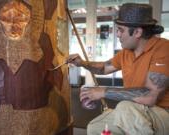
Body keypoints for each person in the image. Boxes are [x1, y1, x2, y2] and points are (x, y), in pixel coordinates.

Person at [67, 3, 169, 135]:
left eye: (121, 30)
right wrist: (82, 63)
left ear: (137, 32)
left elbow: (150, 96)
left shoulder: (164, 49)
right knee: (96, 127)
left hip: (163, 114)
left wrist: (103, 91)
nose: (117, 34)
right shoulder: (126, 52)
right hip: (134, 111)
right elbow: (104, 68)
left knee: (124, 107)